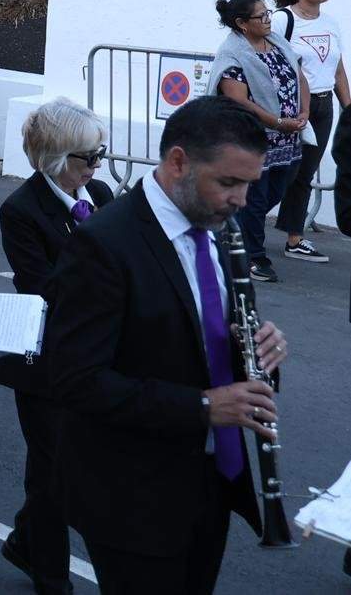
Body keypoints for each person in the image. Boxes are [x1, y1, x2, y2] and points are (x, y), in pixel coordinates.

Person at [49, 95, 286, 594]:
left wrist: (261, 356)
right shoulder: (104, 243)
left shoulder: (219, 229)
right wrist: (202, 405)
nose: (242, 200)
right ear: (178, 161)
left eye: (250, 184)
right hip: (133, 494)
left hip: (211, 478)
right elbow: (75, 381)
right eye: (229, 182)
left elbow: (216, 345)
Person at [0, 97, 116, 595]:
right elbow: (41, 285)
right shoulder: (21, 210)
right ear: (57, 160)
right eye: (90, 157)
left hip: (99, 352)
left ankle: (25, 539)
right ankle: (50, 575)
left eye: (98, 155)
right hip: (45, 357)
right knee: (49, 467)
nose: (97, 166)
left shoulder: (103, 195)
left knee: (76, 460)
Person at [211, 0, 307, 283]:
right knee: (255, 197)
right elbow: (240, 101)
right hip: (253, 139)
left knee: (277, 191)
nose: (268, 20)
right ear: (241, 23)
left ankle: (229, 231)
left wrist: (305, 111)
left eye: (268, 13)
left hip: (287, 139)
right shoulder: (233, 55)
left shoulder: (277, 41)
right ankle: (253, 256)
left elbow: (298, 74)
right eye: (261, 16)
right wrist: (278, 122)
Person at [266, 0, 339, 264]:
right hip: (293, 107)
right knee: (281, 171)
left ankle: (294, 238)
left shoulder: (330, 23)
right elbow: (269, 62)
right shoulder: (283, 20)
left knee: (305, 172)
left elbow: (338, 67)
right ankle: (244, 223)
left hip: (323, 106)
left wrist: (347, 105)